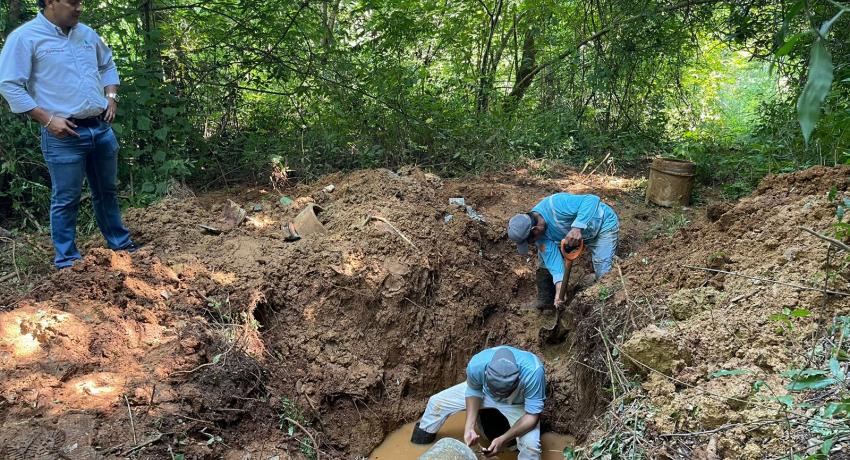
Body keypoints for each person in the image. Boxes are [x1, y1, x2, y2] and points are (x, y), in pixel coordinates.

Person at [0, 0, 138, 269]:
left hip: (100, 128)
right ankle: (68, 261)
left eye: (81, 2)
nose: (79, 7)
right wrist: (48, 120)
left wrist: (111, 97)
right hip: (63, 135)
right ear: (50, 2)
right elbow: (9, 85)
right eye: (72, 2)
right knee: (66, 198)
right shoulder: (25, 38)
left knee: (106, 191)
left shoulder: (86, 34)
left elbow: (107, 64)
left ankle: (120, 245)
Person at [410, 346, 545, 459]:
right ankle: (419, 443)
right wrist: (469, 427)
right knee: (436, 403)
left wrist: (503, 439)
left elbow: (532, 415)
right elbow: (473, 392)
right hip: (484, 393)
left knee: (531, 447)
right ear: (486, 373)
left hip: (516, 402)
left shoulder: (534, 372)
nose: (499, 396)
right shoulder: (477, 364)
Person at [508, 193, 619, 310]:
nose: (533, 243)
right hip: (580, 236)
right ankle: (546, 301)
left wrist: (577, 227)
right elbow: (553, 263)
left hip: (602, 225)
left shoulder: (556, 205)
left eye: (530, 241)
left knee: (604, 278)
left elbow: (592, 199)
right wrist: (559, 289)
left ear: (535, 229)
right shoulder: (539, 237)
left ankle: (602, 304)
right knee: (544, 257)